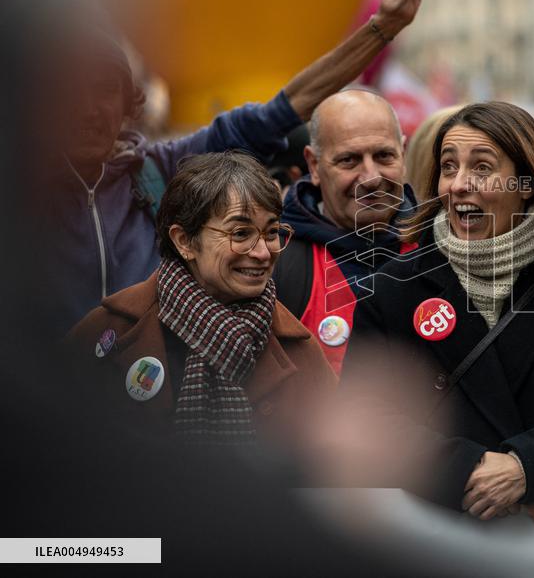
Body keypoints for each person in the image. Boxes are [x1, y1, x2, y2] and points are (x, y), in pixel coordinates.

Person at [45, 0, 430, 334]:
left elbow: (285, 107)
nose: (88, 108)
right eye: (69, 89)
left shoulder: (162, 173)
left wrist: (383, 27)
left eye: (106, 89)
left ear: (131, 103)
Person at [337, 102, 534, 526]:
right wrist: (466, 471)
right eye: (449, 167)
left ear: (527, 184)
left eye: (481, 167)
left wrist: (526, 467)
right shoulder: (393, 289)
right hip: (433, 538)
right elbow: (364, 415)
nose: (460, 184)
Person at [64, 152, 336, 451]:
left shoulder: (301, 350)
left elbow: (332, 470)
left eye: (271, 232)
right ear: (184, 241)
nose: (262, 252)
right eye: (241, 233)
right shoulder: (107, 331)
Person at [273, 89, 418, 373]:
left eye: (384, 156)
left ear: (403, 153)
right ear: (314, 165)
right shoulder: (273, 261)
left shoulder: (446, 248)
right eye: (349, 160)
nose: (371, 178)